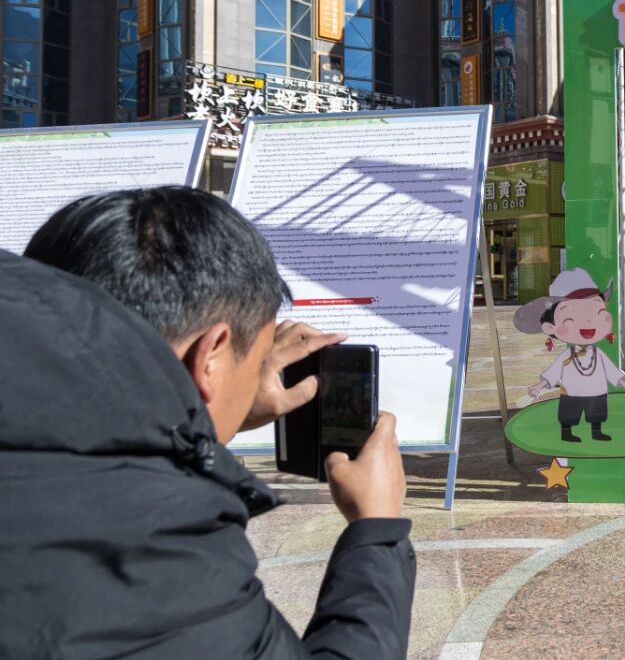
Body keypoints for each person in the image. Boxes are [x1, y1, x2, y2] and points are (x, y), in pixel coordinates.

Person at [3, 187, 413, 657]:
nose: (258, 374)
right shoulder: (161, 554)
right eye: (257, 358)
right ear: (211, 355)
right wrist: (376, 528)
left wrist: (211, 415)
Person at [516, 268, 625, 443]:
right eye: (572, 317)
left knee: (597, 413)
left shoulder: (598, 353)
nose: (588, 321)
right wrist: (540, 386)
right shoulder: (568, 355)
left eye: (597, 312)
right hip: (572, 391)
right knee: (569, 413)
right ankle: (567, 433)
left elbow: (611, 371)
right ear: (550, 327)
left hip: (597, 391)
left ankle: (596, 432)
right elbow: (554, 371)